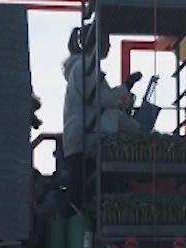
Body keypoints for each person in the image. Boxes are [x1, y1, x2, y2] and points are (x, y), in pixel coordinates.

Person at [59, 27, 137, 199]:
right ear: (95, 44)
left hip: (84, 140)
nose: (109, 47)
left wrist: (124, 95)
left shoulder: (86, 68)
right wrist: (124, 89)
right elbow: (100, 100)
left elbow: (104, 104)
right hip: (85, 142)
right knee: (79, 197)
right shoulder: (84, 67)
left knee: (83, 195)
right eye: (106, 43)